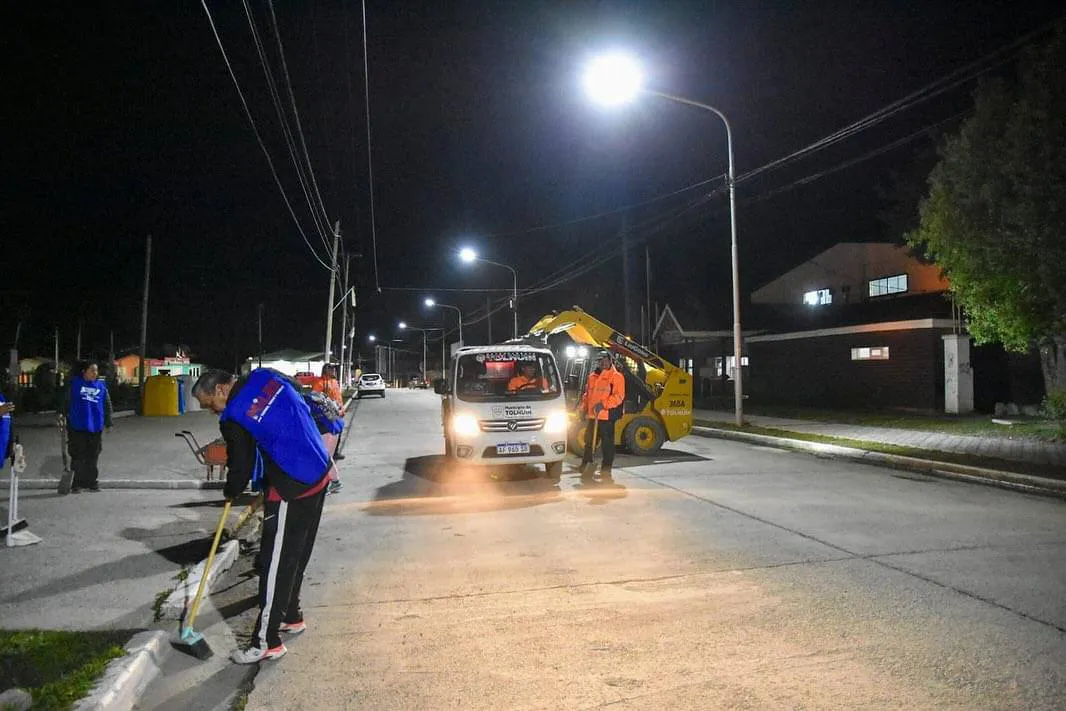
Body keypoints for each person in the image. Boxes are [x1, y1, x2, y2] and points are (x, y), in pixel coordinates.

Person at [193, 367, 332, 664]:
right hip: (319, 471)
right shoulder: (265, 376)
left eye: (209, 404)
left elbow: (240, 467)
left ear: (220, 390)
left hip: (291, 486)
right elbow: (300, 397)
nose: (211, 411)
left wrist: (231, 491)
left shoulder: (234, 416)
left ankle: (266, 641)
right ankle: (291, 615)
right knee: (295, 554)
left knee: (275, 562)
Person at [63, 361, 113, 493]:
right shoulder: (75, 384)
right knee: (78, 455)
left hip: (95, 427)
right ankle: (76, 483)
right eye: (92, 370)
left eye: (96, 371)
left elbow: (107, 405)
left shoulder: (101, 386)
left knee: (93, 455)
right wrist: (61, 414)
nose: (95, 373)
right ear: (84, 372)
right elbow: (65, 401)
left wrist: (109, 423)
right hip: (77, 426)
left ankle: (91, 482)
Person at [578, 351, 625, 484]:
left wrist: (603, 405)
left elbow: (619, 397)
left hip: (607, 416)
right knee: (589, 441)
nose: (602, 362)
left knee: (607, 444)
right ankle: (586, 463)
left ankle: (606, 469)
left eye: (605, 359)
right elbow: (587, 395)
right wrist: (583, 409)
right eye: (600, 360)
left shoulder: (616, 376)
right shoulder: (592, 376)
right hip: (593, 416)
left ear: (610, 360)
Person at [312, 364, 347, 468]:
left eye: (334, 370)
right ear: (326, 371)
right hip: (328, 414)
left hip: (338, 412)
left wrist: (341, 408)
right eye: (331, 370)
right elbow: (315, 397)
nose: (334, 372)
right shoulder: (320, 382)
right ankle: (327, 453)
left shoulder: (334, 382)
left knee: (338, 432)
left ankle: (335, 452)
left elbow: (338, 396)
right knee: (328, 434)